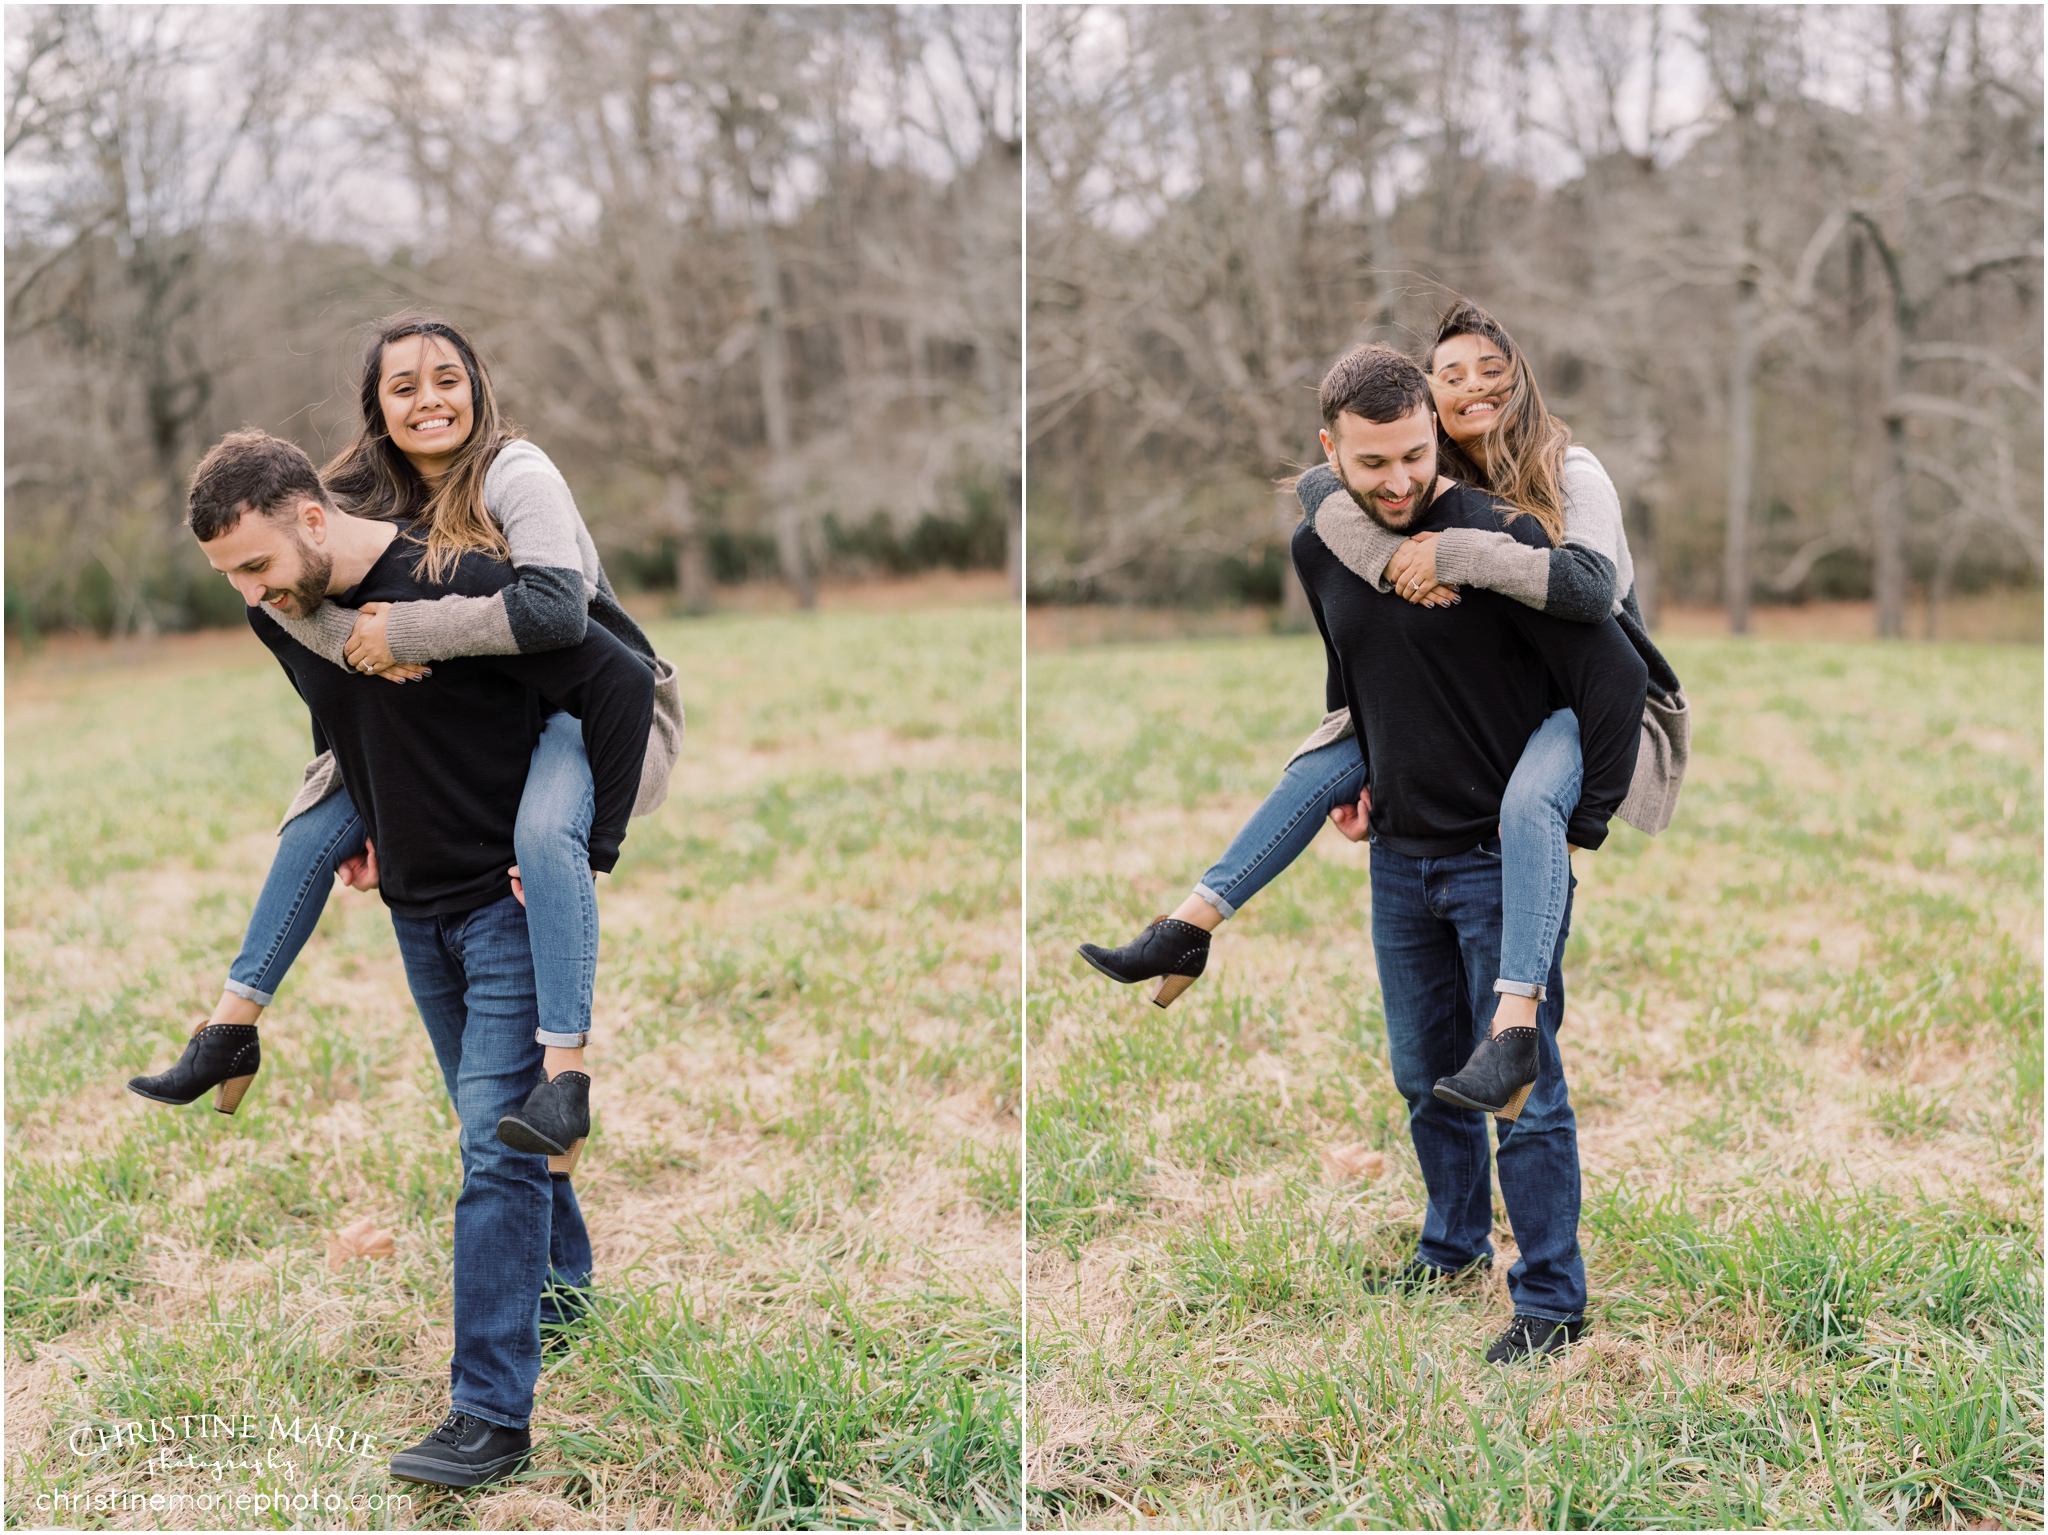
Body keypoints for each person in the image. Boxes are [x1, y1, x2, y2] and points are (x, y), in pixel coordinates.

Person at [178, 428, 655, 1485]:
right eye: (229, 577)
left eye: (255, 565)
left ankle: (491, 1412)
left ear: (311, 516)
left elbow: (617, 674)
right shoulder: (283, 611)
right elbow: (343, 724)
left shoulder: (452, 579)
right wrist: (369, 819)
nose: (249, 593)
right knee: (492, 1129)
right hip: (416, 905)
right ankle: (563, 1283)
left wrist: (584, 848)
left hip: (503, 905)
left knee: (494, 1150)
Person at [1080, 300, 1686, 1121]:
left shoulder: (1570, 469)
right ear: (1426, 398)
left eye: (1491, 371)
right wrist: (1393, 556)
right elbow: (1317, 487)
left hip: (1593, 701)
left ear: (1522, 382)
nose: (1472, 387)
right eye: (1451, 375)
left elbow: (1586, 595)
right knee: (1326, 755)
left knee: (1530, 801)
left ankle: (1514, 1029)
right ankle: (1192, 920)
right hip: (1480, 704)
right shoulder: (1425, 470)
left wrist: (1453, 551)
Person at [127, 315, 682, 1175]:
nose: (430, 400)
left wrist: (408, 634)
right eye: (404, 386)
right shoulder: (348, 493)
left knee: (542, 840)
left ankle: (566, 1076)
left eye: (447, 379)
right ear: (376, 406)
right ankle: (232, 1023)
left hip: (594, 706)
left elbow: (555, 618)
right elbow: (300, 613)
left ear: (478, 385)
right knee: (314, 821)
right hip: (468, 723)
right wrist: (368, 781)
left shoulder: (517, 472)